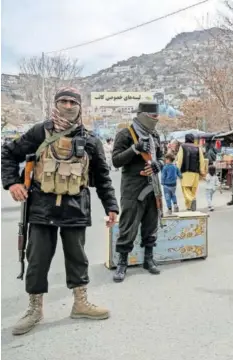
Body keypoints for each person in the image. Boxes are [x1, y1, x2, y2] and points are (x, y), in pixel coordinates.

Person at [1, 87, 119, 335]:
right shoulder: (39, 132)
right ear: (55, 104)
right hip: (42, 209)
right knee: (37, 260)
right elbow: (8, 153)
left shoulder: (90, 140)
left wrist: (111, 207)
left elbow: (103, 177)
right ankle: (35, 309)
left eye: (72, 102)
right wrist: (12, 183)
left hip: (75, 209)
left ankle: (80, 303)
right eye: (63, 101)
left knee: (77, 258)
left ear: (80, 106)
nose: (67, 106)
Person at [112, 101, 164, 282]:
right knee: (128, 225)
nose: (156, 120)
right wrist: (134, 149)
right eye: (153, 116)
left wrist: (159, 165)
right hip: (132, 189)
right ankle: (122, 263)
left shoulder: (155, 135)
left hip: (153, 186)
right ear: (142, 115)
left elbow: (162, 156)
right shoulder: (125, 134)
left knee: (151, 225)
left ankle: (148, 259)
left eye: (157, 116)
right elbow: (116, 161)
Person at [176, 133, 206, 211]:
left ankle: (192, 200)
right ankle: (189, 206)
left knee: (185, 189)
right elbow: (202, 160)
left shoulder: (182, 146)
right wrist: (202, 171)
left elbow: (180, 159)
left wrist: (177, 170)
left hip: (185, 172)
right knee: (193, 189)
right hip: (195, 172)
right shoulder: (198, 147)